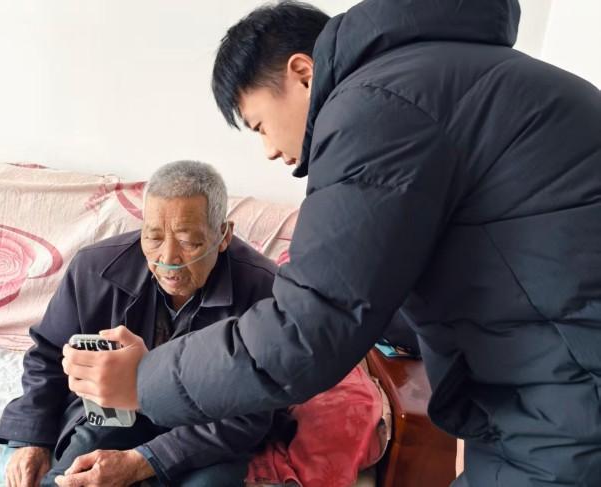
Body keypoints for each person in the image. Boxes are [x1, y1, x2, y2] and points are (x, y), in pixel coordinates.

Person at [64, 1, 601, 485]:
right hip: (551, 386)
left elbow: (308, 329)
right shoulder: (451, 79)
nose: (268, 151)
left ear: (302, 72)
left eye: (258, 124)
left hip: (569, 396)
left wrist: (146, 379)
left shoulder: (376, 104)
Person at [0, 161, 278, 487]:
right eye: (154, 237)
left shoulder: (264, 289)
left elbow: (253, 410)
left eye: (189, 242)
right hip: (114, 415)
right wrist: (33, 438)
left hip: (209, 429)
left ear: (224, 235)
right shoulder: (94, 269)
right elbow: (48, 353)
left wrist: (142, 462)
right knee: (75, 473)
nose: (167, 259)